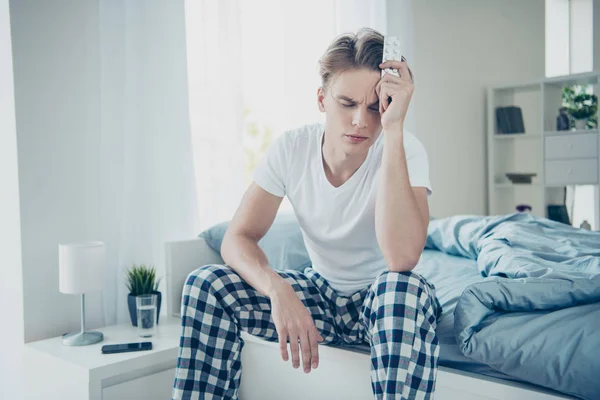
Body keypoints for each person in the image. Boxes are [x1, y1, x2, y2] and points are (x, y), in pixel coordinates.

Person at [172, 27, 442, 400]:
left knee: (402, 289)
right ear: (321, 99)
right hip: (320, 294)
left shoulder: (404, 148)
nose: (361, 122)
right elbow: (238, 238)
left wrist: (393, 128)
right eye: (347, 103)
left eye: (374, 106)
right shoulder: (292, 149)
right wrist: (277, 289)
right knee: (205, 285)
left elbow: (401, 258)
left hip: (384, 301)